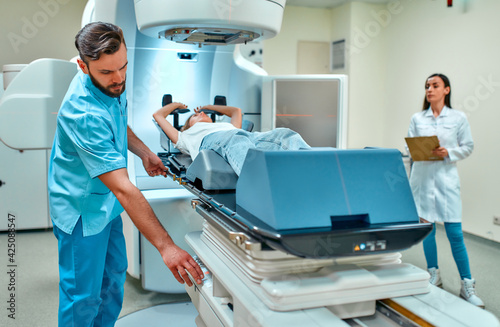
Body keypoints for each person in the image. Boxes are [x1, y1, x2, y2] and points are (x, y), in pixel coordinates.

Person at [48, 22, 204, 326]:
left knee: (113, 279)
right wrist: (167, 246)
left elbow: (117, 125)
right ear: (83, 66)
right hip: (81, 211)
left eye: (123, 67)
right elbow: (123, 188)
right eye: (107, 73)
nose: (118, 78)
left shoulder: (111, 82)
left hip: (104, 205)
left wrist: (145, 153)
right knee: (82, 296)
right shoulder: (83, 113)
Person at [407, 73, 484, 308]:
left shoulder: (458, 118)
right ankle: (434, 275)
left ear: (446, 90)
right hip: (422, 178)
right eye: (427, 86)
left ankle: (467, 285)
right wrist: (418, 149)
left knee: (455, 234)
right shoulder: (417, 118)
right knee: (428, 230)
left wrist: (448, 152)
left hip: (446, 181)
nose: (429, 89)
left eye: (435, 85)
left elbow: (468, 146)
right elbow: (409, 146)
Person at [153, 102, 310, 175]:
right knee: (237, 140)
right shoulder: (185, 136)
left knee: (284, 134)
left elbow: (236, 111)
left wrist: (208, 106)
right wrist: (176, 105)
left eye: (204, 113)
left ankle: (313, 171)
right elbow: (158, 115)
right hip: (216, 141)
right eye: (195, 115)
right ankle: (264, 189)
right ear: (188, 126)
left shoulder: (228, 125)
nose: (201, 114)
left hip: (247, 137)